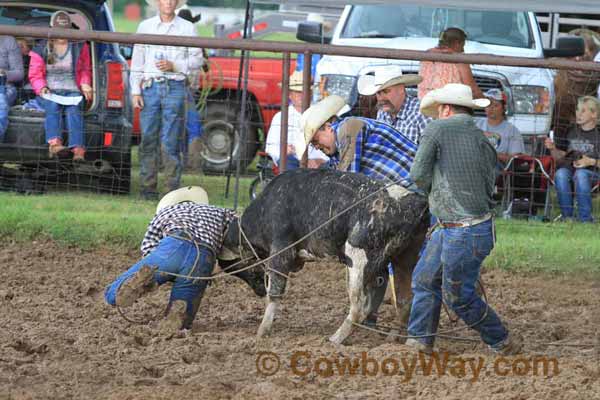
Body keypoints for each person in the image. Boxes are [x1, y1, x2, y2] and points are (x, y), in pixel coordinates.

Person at [406, 83, 521, 355]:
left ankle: (500, 339)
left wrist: (430, 189)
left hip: (458, 229)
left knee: (458, 297)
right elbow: (486, 182)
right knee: (426, 278)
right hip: (473, 227)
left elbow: (418, 175)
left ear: (445, 109)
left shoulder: (436, 129)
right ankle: (419, 339)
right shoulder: (484, 138)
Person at [104, 187, 249, 331]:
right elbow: (241, 227)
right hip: (203, 260)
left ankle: (138, 282)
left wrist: (166, 274)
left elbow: (148, 248)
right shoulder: (220, 211)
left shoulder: (165, 212)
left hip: (173, 246)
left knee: (112, 294)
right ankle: (175, 318)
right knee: (181, 321)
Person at [130, 0, 203, 200]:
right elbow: (138, 60)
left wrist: (175, 65)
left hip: (175, 86)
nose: (168, 2)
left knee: (171, 140)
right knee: (148, 138)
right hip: (150, 86)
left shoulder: (187, 28)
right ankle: (148, 188)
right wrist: (135, 91)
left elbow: (198, 59)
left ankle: (171, 189)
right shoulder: (145, 26)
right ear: (158, 3)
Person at [300, 95, 417, 187]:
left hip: (415, 184)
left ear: (328, 127)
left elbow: (347, 180)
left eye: (315, 140)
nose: (316, 147)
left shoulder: (348, 127)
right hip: (406, 187)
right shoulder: (338, 149)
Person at [29, 11, 92, 161]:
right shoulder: (41, 48)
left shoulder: (79, 46)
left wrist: (85, 83)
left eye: (66, 30)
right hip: (50, 90)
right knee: (52, 106)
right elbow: (35, 74)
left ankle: (77, 150)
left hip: (72, 90)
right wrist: (42, 87)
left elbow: (85, 69)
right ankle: (55, 144)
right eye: (58, 31)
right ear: (51, 28)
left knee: (74, 110)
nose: (62, 35)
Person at [545, 96, 600, 222]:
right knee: (560, 174)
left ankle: (585, 219)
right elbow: (561, 157)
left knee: (581, 174)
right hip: (570, 169)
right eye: (577, 110)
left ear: (594, 114)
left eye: (583, 111)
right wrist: (553, 148)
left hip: (593, 173)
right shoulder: (570, 131)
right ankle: (567, 217)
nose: (578, 114)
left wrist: (590, 161)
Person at [265, 71, 329, 169]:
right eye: (298, 92)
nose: (301, 96)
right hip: (292, 162)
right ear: (290, 95)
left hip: (317, 163)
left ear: (311, 94)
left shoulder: (322, 115)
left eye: (305, 92)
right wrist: (283, 150)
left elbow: (331, 147)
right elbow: (270, 147)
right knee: (288, 163)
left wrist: (319, 160)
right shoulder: (280, 117)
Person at [357, 65, 430, 144]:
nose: (381, 98)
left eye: (386, 91)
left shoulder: (421, 112)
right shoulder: (382, 112)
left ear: (401, 89)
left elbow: (431, 152)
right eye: (378, 93)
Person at [418, 27, 483, 101]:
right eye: (462, 45)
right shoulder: (459, 58)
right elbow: (472, 89)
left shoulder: (426, 54)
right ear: (456, 43)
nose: (463, 50)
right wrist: (487, 101)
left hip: (424, 102)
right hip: (449, 104)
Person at [476, 88, 525, 167]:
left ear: (504, 108)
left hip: (498, 167)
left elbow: (516, 159)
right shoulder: (476, 124)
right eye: (488, 105)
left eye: (495, 105)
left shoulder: (512, 130)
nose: (491, 108)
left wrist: (492, 154)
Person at [0, 36, 24, 142]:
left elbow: (19, 74)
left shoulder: (8, 41)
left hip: (4, 86)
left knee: (0, 103)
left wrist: (3, 73)